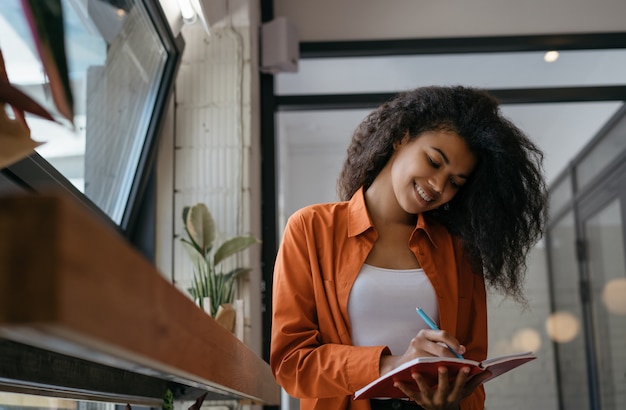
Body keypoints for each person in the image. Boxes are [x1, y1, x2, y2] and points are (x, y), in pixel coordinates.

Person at [270, 85, 548, 410]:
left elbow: (471, 370)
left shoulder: (459, 249)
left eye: (456, 182)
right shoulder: (311, 228)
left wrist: (450, 397)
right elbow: (291, 363)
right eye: (433, 161)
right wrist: (394, 363)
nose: (438, 186)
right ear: (401, 137)